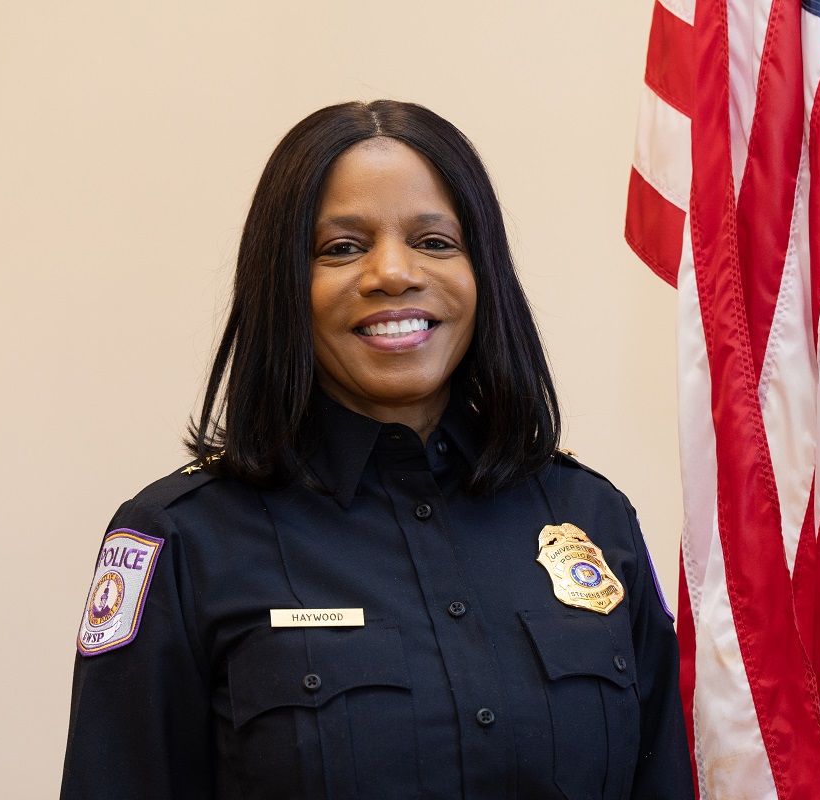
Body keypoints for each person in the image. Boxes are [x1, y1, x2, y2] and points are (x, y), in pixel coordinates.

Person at [61, 100, 693, 799]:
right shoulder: (181, 540)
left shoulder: (593, 518)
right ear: (284, 287)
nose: (392, 273)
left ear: (482, 273)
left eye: (434, 241)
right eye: (342, 247)